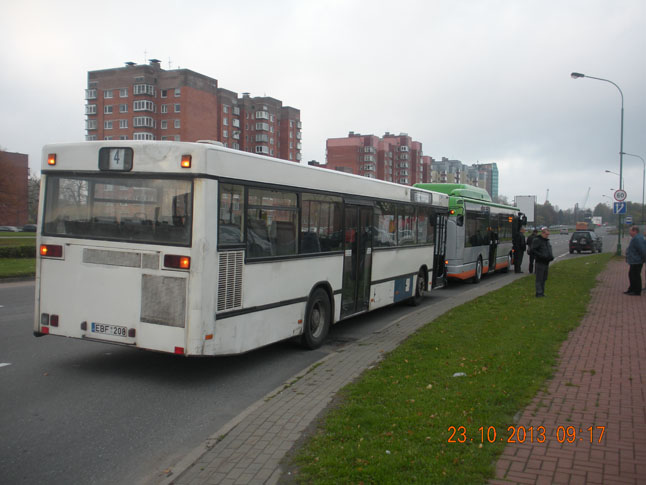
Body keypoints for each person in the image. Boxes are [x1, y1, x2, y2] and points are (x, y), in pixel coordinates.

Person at [531, 227, 554, 297]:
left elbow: (548, 249)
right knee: (539, 278)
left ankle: (542, 292)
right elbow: (533, 250)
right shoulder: (537, 240)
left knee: (544, 278)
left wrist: (550, 256)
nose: (547, 236)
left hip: (546, 262)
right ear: (543, 233)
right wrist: (541, 255)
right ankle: (539, 293)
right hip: (540, 261)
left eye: (548, 234)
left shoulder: (546, 241)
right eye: (546, 234)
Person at [624, 225, 646, 296]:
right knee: (631, 275)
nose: (629, 232)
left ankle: (637, 291)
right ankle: (631, 289)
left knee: (635, 276)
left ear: (635, 231)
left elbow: (642, 249)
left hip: (637, 261)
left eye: (630, 231)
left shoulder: (638, 238)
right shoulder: (636, 238)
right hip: (634, 260)